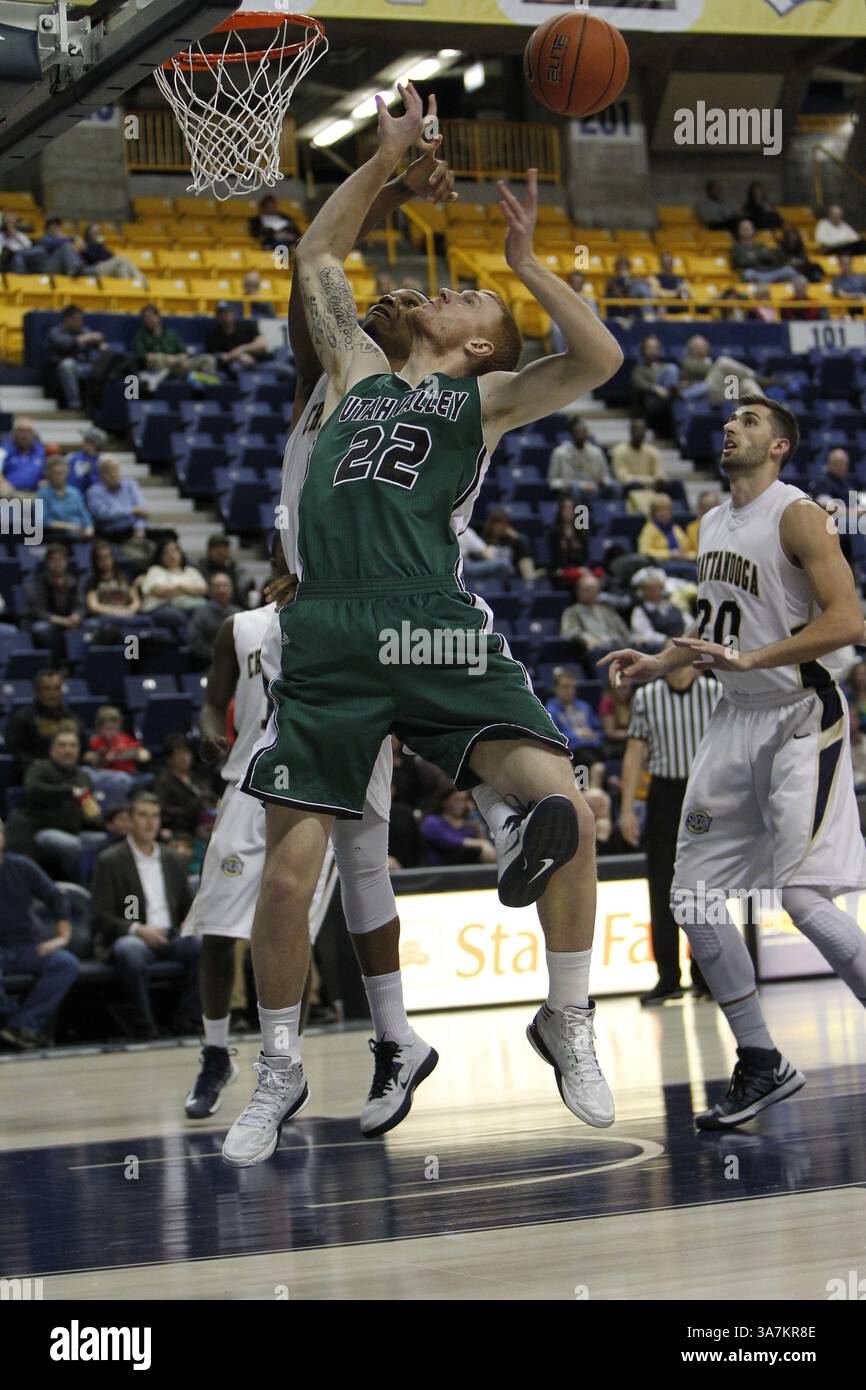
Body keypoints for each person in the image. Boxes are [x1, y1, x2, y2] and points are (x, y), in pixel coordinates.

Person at [223, 86, 624, 1166]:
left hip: (431, 624)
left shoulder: (483, 402)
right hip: (330, 636)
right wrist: (385, 156)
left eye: (461, 294)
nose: (440, 290)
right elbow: (315, 259)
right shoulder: (354, 369)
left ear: (483, 342)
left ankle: (567, 1017)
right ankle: (278, 1066)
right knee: (288, 875)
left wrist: (530, 267)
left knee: (570, 809)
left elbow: (597, 365)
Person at [602, 395, 866, 1129]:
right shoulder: (713, 522)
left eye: (750, 421)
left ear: (780, 446)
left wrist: (754, 657)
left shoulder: (800, 514)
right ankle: (761, 1060)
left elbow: (849, 622)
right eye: (731, 419)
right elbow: (716, 623)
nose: (732, 427)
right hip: (733, 718)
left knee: (806, 902)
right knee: (689, 896)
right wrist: (660, 662)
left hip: (799, 717)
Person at [618, 660, 720, 1004]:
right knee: (661, 888)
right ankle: (669, 978)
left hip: (704, 794)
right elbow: (634, 753)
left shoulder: (715, 691)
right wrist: (627, 807)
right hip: (663, 794)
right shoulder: (648, 696)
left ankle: (708, 977)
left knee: (707, 889)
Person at [90, 791, 200, 1040]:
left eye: (155, 816)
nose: (150, 822)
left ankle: (186, 1018)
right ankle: (144, 1023)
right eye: (143, 816)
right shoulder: (110, 860)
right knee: (130, 951)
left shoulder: (173, 859)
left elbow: (186, 905)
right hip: (134, 936)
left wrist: (189, 921)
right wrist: (137, 928)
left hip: (171, 935)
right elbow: (100, 914)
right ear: (129, 821)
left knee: (203, 946)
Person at [0, 817, 79, 1049]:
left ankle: (22, 1025)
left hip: (25, 945)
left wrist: (62, 937)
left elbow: (56, 896)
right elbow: (130, 903)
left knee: (66, 963)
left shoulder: (21, 866)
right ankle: (12, 1023)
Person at [22, 725, 107, 882]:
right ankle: (85, 888)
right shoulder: (39, 769)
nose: (68, 750)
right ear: (52, 750)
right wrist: (68, 791)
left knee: (109, 840)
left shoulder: (83, 776)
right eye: (62, 745)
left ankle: (108, 888)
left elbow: (88, 806)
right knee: (73, 846)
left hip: (77, 831)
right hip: (44, 831)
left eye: (73, 745)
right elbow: (34, 790)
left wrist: (95, 818)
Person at [4, 670, 86, 776]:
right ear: (36, 692)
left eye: (57, 688)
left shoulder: (73, 719)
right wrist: (36, 765)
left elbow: (84, 748)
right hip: (35, 774)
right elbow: (13, 751)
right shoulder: (22, 718)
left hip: (71, 773)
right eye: (47, 689)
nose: (53, 694)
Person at [24, 542, 84, 664]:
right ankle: (56, 664)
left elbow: (80, 605)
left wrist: (77, 616)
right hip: (50, 622)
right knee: (40, 629)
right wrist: (62, 621)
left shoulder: (73, 582)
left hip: (70, 621)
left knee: (92, 626)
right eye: (53, 560)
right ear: (47, 563)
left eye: (61, 560)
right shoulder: (40, 582)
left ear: (66, 562)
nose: (57, 564)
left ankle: (78, 666)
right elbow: (39, 612)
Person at [544, 668, 605, 780]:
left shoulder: (584, 707)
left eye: (572, 687)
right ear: (556, 688)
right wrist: (577, 735)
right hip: (573, 753)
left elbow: (599, 730)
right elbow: (554, 737)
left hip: (594, 748)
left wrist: (594, 735)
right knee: (586, 761)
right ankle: (585, 789)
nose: (570, 691)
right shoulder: (550, 711)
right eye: (565, 687)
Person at [130, 304, 217, 383]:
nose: (148, 320)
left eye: (151, 316)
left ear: (158, 317)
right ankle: (191, 377)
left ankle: (206, 386)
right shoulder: (140, 335)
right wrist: (167, 359)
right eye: (145, 318)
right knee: (157, 360)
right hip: (160, 368)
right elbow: (144, 356)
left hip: (178, 365)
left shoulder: (170, 334)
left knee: (208, 359)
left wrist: (177, 359)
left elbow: (184, 353)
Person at [138, 538, 207, 635]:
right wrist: (187, 589)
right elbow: (157, 590)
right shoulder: (156, 570)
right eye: (166, 553)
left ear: (180, 553)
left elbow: (202, 589)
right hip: (159, 607)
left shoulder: (190, 571)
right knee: (177, 616)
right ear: (160, 556)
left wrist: (178, 587)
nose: (171, 555)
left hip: (189, 605)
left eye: (174, 551)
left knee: (207, 611)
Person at [45, 305, 108, 410]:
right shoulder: (55, 332)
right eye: (76, 319)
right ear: (66, 319)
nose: (80, 322)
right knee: (67, 365)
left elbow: (98, 342)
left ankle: (105, 404)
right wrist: (86, 338)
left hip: (86, 365)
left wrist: (101, 345)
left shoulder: (84, 330)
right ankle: (74, 404)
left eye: (81, 319)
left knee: (106, 363)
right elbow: (66, 344)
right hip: (66, 367)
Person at [677, 335, 763, 407]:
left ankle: (765, 409)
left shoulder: (710, 362)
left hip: (723, 391)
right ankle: (756, 376)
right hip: (706, 395)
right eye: (697, 347)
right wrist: (718, 369)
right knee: (722, 362)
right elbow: (702, 370)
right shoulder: (688, 362)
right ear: (691, 349)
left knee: (747, 383)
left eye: (703, 345)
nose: (701, 349)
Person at [419, 787, 496, 865]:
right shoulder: (432, 821)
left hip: (470, 868)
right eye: (456, 800)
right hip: (441, 869)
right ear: (444, 802)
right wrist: (481, 843)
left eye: (464, 800)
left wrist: (480, 833)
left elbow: (490, 845)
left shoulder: (470, 823)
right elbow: (452, 842)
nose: (461, 804)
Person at [561, 573, 630, 658]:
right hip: (594, 651)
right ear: (578, 591)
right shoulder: (572, 611)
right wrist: (586, 638)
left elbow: (623, 631)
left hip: (616, 648)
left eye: (594, 590)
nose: (591, 593)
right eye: (586, 590)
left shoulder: (607, 609)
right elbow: (570, 632)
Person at [153, 734, 211, 836]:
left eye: (187, 752)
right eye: (178, 753)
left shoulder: (197, 776)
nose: (184, 756)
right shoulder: (162, 781)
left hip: (205, 821)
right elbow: (161, 808)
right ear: (169, 758)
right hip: (181, 828)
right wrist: (188, 810)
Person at [86, 455, 150, 546]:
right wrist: (131, 510)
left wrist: (139, 528)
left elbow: (143, 510)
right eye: (107, 470)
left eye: (114, 469)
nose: (112, 473)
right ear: (100, 474)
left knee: (169, 535)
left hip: (135, 530)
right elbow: (104, 514)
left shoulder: (130, 485)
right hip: (111, 534)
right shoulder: (93, 492)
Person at [82, 538, 141, 627]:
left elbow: (136, 601)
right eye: (100, 559)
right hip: (104, 617)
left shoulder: (125, 577)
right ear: (95, 561)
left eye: (107, 557)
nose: (104, 562)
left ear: (112, 558)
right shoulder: (92, 580)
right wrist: (116, 613)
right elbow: (93, 606)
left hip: (126, 614)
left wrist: (130, 610)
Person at [186, 573, 240, 668]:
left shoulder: (240, 613)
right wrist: (215, 656)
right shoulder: (200, 613)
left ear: (231, 589)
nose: (221, 590)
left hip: (238, 665)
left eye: (225, 586)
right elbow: (194, 640)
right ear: (209, 590)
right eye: (217, 586)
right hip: (209, 665)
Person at [547, 418, 610, 497]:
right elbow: (553, 481)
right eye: (577, 432)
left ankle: (611, 508)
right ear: (571, 434)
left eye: (583, 432)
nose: (580, 435)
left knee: (613, 487)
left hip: (594, 489)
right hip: (571, 490)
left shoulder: (596, 452)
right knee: (575, 489)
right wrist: (576, 485)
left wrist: (602, 481)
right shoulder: (559, 452)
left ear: (587, 434)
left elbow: (605, 476)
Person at [611, 417, 665, 510]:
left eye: (642, 430)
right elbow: (623, 476)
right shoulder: (619, 450)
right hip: (630, 488)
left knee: (676, 485)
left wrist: (658, 479)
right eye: (637, 430)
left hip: (652, 486)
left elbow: (659, 472)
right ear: (631, 431)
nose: (639, 433)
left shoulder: (652, 451)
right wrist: (650, 480)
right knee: (636, 485)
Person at [629, 337, 677, 440]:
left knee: (672, 369)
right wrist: (655, 388)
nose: (653, 350)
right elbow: (638, 383)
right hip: (651, 401)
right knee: (671, 370)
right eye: (650, 348)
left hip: (666, 400)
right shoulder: (639, 368)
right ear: (643, 350)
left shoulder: (664, 366)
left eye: (655, 348)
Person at [37, 455, 94, 540]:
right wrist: (67, 526)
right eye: (55, 473)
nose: (58, 477)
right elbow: (41, 521)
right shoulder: (42, 494)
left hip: (78, 532)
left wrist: (89, 528)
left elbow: (85, 516)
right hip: (55, 534)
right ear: (48, 475)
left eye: (61, 473)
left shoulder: (75, 492)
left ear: (66, 473)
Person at [205, 303, 269, 377]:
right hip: (236, 364)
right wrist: (239, 356)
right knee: (236, 368)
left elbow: (262, 344)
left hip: (261, 362)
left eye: (228, 313)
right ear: (217, 316)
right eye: (222, 314)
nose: (225, 317)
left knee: (282, 369)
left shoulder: (246, 326)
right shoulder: (213, 334)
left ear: (233, 314)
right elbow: (220, 358)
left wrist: (242, 349)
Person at [629, 568, 686, 648]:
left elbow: (689, 623)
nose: (654, 592)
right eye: (650, 589)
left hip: (682, 643)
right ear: (642, 592)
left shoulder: (673, 607)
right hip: (660, 648)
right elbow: (646, 634)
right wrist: (666, 640)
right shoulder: (640, 610)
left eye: (657, 588)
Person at [480, 506, 539, 582]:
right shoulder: (482, 541)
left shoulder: (512, 541)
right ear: (491, 525)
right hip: (493, 575)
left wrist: (518, 538)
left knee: (522, 541)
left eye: (504, 524)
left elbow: (519, 559)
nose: (501, 528)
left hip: (512, 576)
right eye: (498, 524)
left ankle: (529, 577)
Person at [89, 705, 150, 777]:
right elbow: (95, 762)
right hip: (111, 776)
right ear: (99, 728)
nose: (112, 733)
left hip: (131, 773)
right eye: (108, 729)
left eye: (115, 728)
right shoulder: (95, 741)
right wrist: (105, 759)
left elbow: (143, 755)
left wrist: (139, 754)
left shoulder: (125, 738)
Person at [195, 534, 254, 605]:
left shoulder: (234, 568)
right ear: (209, 551)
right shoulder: (200, 567)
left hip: (232, 606)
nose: (221, 551)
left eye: (224, 548)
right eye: (217, 548)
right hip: (209, 605)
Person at [730, 219, 795, 285]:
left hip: (768, 271)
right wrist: (760, 256)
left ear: (753, 230)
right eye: (743, 228)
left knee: (789, 270)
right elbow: (741, 262)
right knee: (748, 273)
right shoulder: (736, 248)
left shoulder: (760, 245)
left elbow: (770, 258)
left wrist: (753, 256)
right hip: (755, 273)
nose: (746, 230)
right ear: (739, 231)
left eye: (748, 228)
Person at [548, 495, 589, 587]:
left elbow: (585, 556)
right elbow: (554, 558)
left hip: (579, 569)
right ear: (560, 511)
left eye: (571, 509)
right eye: (565, 509)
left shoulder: (580, 532)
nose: (568, 512)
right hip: (561, 570)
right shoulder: (554, 532)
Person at [0, 417, 46, 495]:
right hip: (10, 495)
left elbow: (52, 471)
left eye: (28, 431)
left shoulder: (42, 452)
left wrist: (47, 481)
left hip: (36, 494)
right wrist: (2, 482)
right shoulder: (3, 451)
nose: (25, 435)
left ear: (34, 434)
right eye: (21, 431)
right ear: (13, 433)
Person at [638, 495, 689, 561]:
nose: (663, 513)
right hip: (660, 564)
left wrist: (688, 556)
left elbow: (688, 549)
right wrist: (669, 554)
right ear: (653, 513)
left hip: (682, 563)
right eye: (659, 510)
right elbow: (643, 551)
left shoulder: (676, 528)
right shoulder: (649, 528)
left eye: (666, 510)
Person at [66, 426, 108, 493]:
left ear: (95, 444)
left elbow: (100, 486)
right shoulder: (73, 457)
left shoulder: (102, 462)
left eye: (86, 441)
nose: (83, 443)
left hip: (92, 498)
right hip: (71, 497)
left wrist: (89, 475)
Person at [683, 489, 722, 558]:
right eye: (705, 507)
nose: (708, 511)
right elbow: (687, 551)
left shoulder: (725, 526)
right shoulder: (691, 527)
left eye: (711, 507)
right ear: (699, 508)